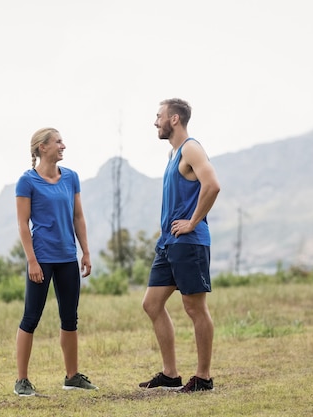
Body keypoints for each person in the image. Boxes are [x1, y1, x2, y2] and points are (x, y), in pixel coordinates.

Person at [139, 98, 221, 393]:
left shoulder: (190, 148)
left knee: (194, 307)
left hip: (189, 242)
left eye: (158, 115)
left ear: (174, 119)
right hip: (169, 243)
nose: (155, 121)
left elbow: (212, 184)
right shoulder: (174, 154)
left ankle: (203, 377)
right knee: (151, 303)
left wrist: (193, 221)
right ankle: (170, 374)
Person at [13, 127, 98, 396]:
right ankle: (22, 381)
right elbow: (23, 224)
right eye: (58, 141)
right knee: (31, 317)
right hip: (41, 259)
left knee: (70, 318)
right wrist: (32, 261)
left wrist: (85, 251)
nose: (63, 145)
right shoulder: (26, 181)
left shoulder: (71, 177)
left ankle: (72, 376)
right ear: (42, 147)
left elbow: (78, 217)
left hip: (67, 258)